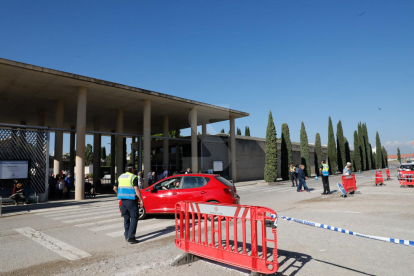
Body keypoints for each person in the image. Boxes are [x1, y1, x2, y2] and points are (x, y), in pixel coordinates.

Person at [113, 163, 144, 244]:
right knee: (134, 217)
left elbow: (114, 188)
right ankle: (131, 237)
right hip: (131, 200)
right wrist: (141, 199)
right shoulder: (133, 177)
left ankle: (127, 235)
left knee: (126, 217)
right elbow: (136, 188)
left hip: (123, 201)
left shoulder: (120, 176)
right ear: (132, 169)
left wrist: (119, 194)